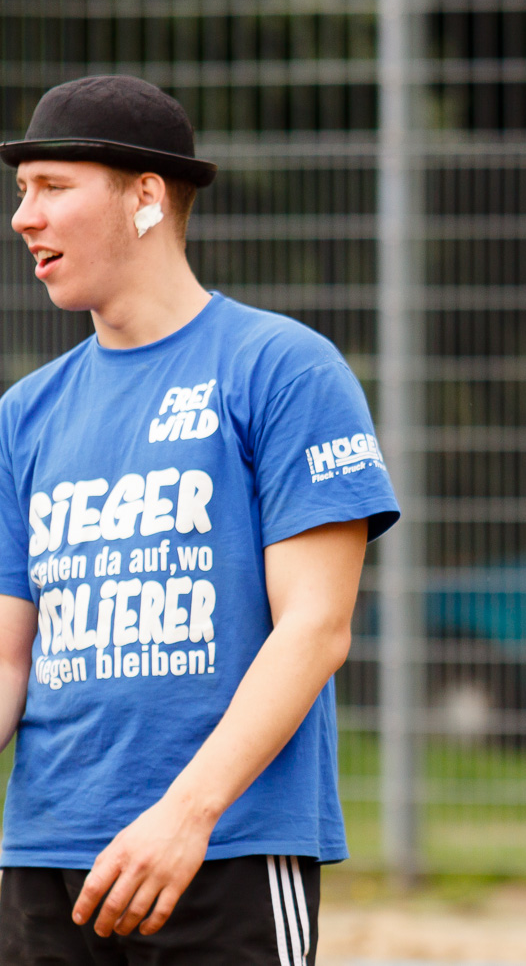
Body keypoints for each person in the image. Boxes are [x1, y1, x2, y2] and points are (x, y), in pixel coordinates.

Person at [0, 74, 399, 964]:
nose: (25, 216)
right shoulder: (24, 413)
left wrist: (186, 814)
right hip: (44, 857)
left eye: (53, 186)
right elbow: (8, 654)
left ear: (145, 196)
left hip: (223, 847)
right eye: (22, 191)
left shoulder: (283, 368)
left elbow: (315, 627)